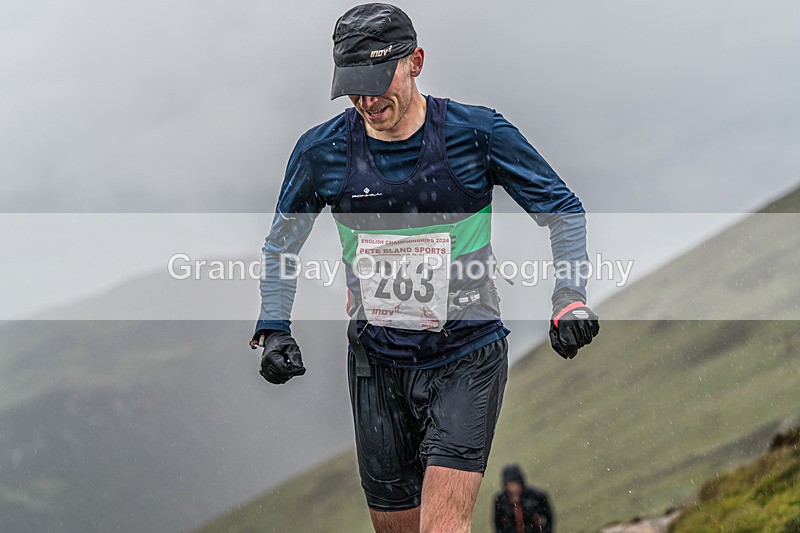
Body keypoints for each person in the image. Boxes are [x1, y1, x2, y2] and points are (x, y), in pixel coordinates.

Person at [250, 4, 600, 532]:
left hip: (466, 354)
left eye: (376, 80)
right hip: (377, 366)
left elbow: (563, 210)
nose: (366, 100)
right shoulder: (321, 151)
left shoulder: (476, 133)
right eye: (352, 86)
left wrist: (568, 295)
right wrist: (274, 327)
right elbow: (282, 245)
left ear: (415, 61)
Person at [494, 465, 554, 533]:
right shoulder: (501, 500)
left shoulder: (536, 497)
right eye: (509, 485)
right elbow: (498, 524)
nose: (512, 488)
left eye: (514, 484)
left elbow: (549, 518)